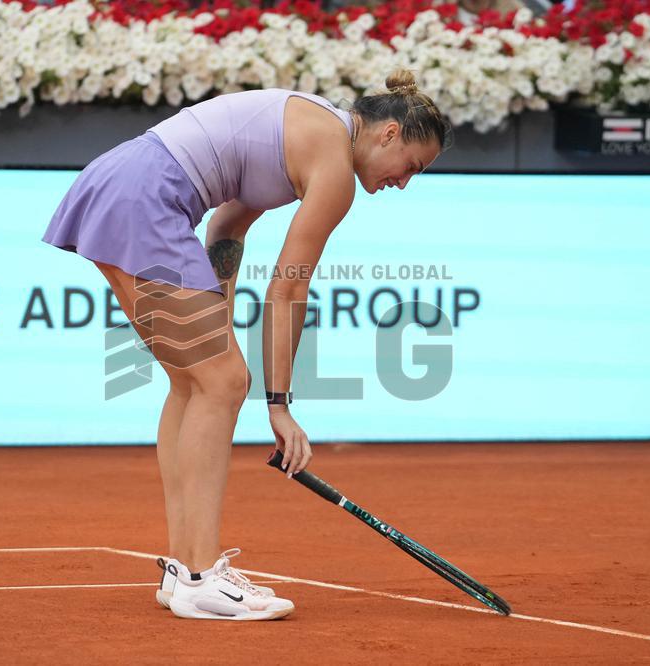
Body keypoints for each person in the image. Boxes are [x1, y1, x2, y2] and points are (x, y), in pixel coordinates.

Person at [42, 68, 451, 621]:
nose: (404, 182)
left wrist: (218, 317)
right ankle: (201, 576)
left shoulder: (310, 133)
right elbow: (289, 287)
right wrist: (279, 407)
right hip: (145, 196)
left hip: (121, 182)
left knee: (194, 383)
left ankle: (184, 568)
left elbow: (227, 230)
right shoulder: (333, 165)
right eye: (412, 167)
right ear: (389, 135)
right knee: (224, 380)